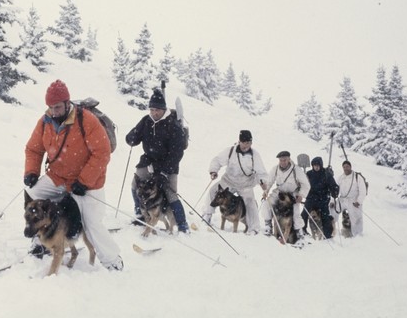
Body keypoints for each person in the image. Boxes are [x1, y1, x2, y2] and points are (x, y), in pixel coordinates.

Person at [23, 79, 123, 271]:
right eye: (50, 107)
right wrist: (31, 171)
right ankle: (40, 241)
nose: (54, 111)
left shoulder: (86, 120)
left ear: (67, 103)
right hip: (59, 176)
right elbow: (33, 149)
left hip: (87, 182)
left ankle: (113, 261)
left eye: (58, 107)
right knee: (33, 195)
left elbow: (102, 153)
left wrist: (84, 181)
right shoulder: (45, 121)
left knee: (91, 223)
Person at [125, 89, 189, 233]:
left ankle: (183, 224)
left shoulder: (173, 125)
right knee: (135, 184)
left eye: (158, 109)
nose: (154, 113)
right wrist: (132, 138)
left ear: (164, 109)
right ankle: (140, 213)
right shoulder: (146, 121)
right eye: (152, 109)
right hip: (148, 161)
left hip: (168, 164)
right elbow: (132, 136)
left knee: (171, 193)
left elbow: (177, 153)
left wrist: (165, 172)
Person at [202, 130, 268, 235]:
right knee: (213, 191)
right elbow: (217, 160)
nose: (246, 145)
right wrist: (214, 171)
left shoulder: (255, 155)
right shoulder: (230, 151)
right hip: (229, 180)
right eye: (244, 142)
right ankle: (207, 215)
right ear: (239, 141)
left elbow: (261, 172)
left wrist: (263, 181)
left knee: (250, 202)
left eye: (248, 143)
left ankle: (254, 228)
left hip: (245, 184)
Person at [261, 151, 310, 236]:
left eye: (285, 160)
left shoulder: (296, 170)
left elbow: (306, 184)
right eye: (281, 160)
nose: (282, 162)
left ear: (289, 159)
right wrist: (266, 191)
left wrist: (301, 195)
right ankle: (268, 226)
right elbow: (269, 182)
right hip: (280, 192)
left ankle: (299, 233)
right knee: (266, 204)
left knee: (295, 211)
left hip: (292, 193)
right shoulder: (275, 169)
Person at [301, 156, 339, 238]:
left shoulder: (326, 174)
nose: (316, 167)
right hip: (311, 198)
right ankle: (302, 230)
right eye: (314, 165)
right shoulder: (309, 174)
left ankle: (327, 234)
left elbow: (333, 185)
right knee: (304, 213)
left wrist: (335, 191)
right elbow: (303, 184)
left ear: (321, 165)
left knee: (325, 215)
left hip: (322, 198)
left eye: (318, 165)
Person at [335, 160, 366, 236]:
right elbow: (335, 190)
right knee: (332, 211)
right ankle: (335, 231)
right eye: (344, 167)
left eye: (347, 166)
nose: (346, 168)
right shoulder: (340, 178)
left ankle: (357, 235)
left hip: (354, 200)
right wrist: (333, 201)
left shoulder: (357, 177)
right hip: (343, 200)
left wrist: (359, 201)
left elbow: (363, 190)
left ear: (350, 167)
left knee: (356, 218)